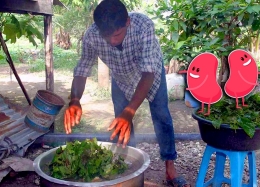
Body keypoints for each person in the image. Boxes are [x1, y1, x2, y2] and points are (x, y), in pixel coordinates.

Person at [64, 0, 190, 186]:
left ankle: (170, 167)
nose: (113, 41)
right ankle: (129, 169)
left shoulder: (143, 25)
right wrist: (75, 100)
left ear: (127, 23)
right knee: (121, 124)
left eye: (117, 34)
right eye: (107, 37)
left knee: (161, 116)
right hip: (121, 77)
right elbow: (83, 67)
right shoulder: (92, 36)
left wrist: (130, 110)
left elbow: (148, 73)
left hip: (151, 75)